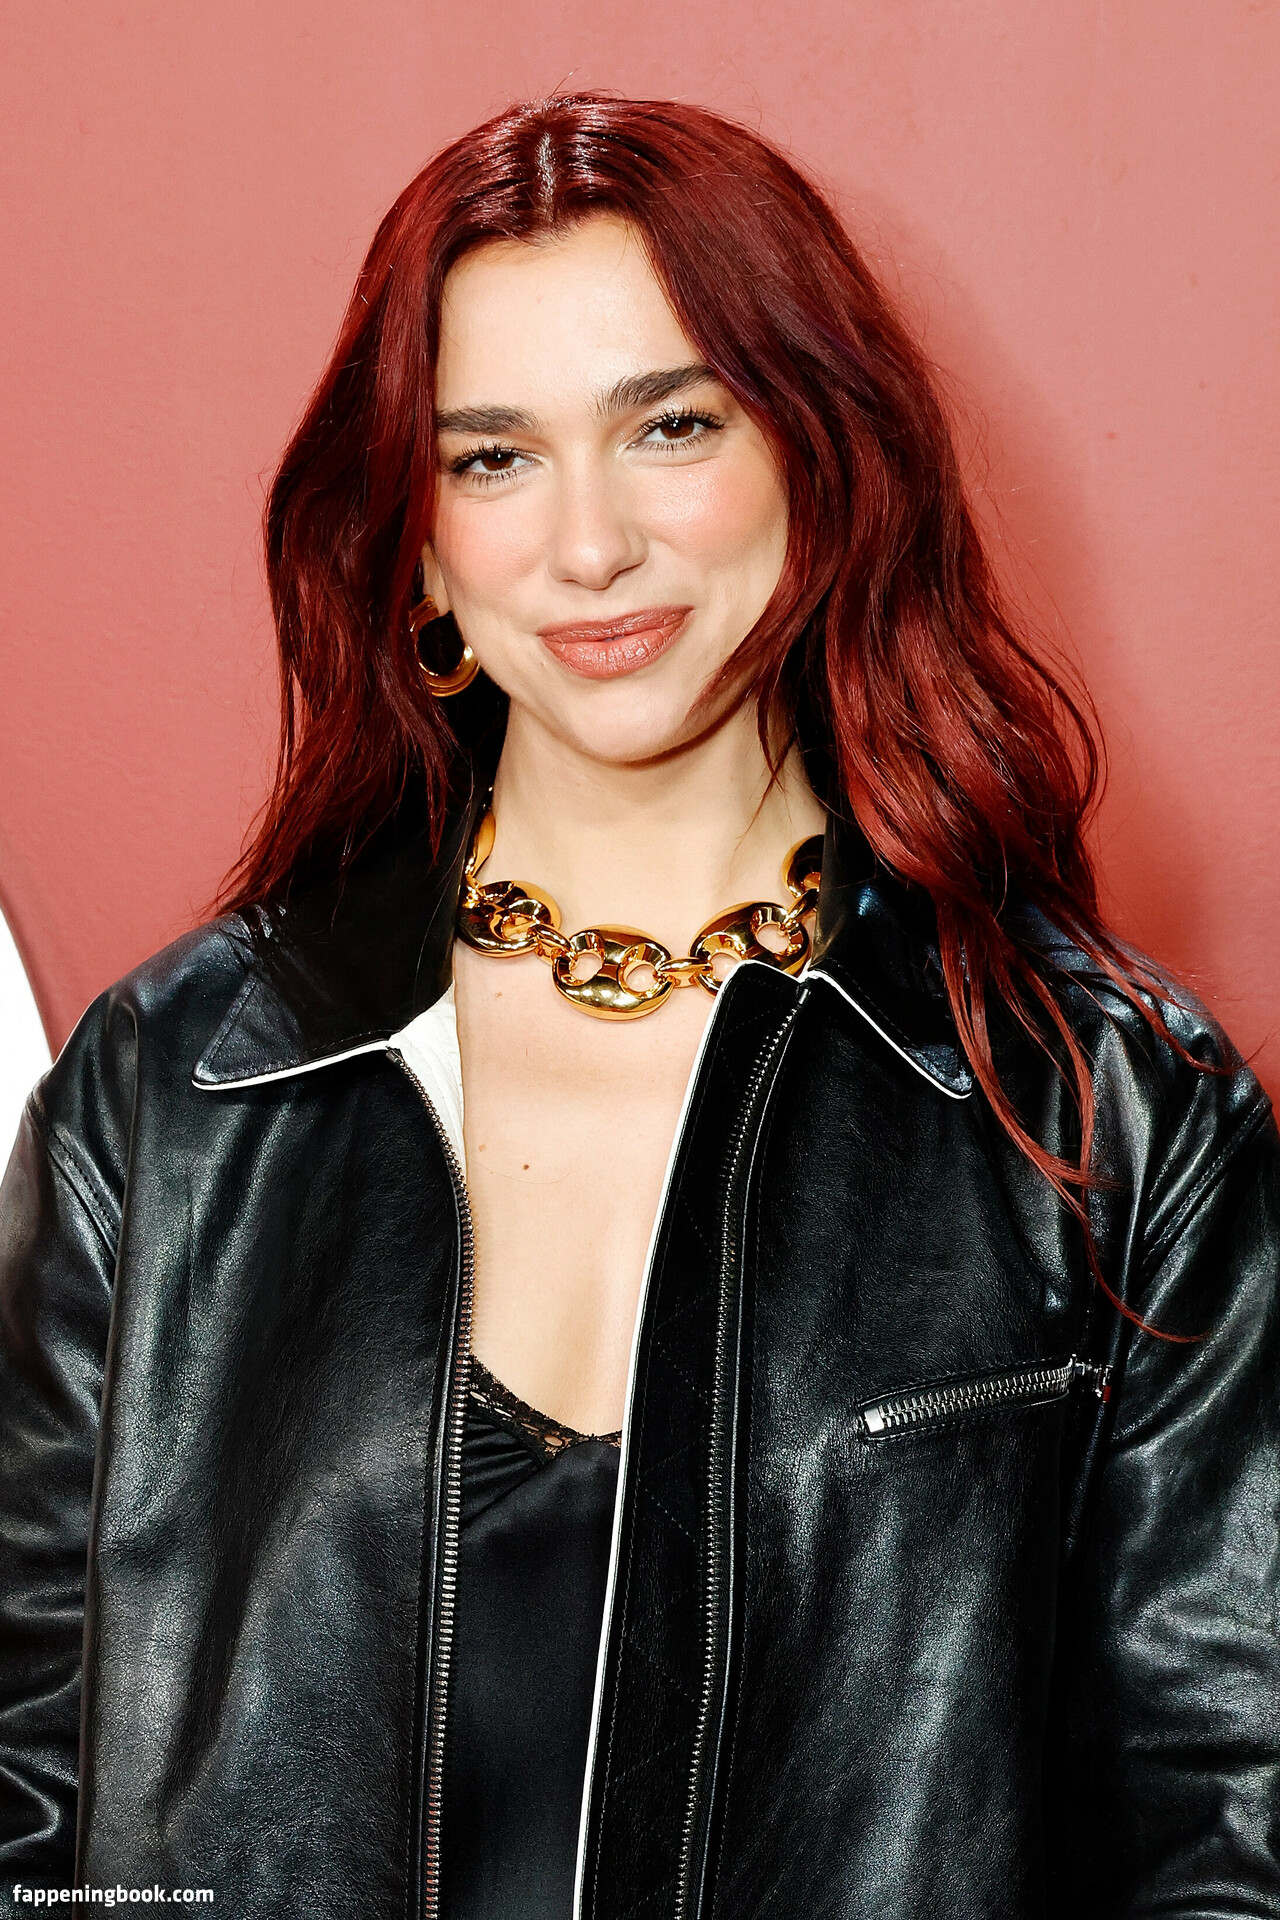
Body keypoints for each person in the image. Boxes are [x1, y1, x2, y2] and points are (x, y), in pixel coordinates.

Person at [1, 91, 1277, 1920]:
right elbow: (27, 1801)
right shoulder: (170, 1091)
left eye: (671, 425)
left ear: (823, 458)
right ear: (418, 543)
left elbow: (1224, 1835)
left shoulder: (1110, 1110)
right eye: (492, 458)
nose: (588, 546)